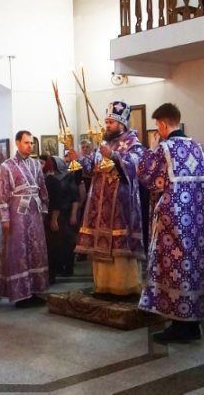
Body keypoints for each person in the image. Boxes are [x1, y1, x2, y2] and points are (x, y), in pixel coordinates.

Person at [138, 103, 204, 343]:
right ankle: (192, 325)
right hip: (198, 224)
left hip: (172, 223)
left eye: (157, 126)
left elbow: (146, 176)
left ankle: (179, 326)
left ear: (162, 124)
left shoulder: (164, 149)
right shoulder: (198, 147)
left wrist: (152, 148)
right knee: (193, 270)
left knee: (174, 270)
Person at [73, 101, 145, 297]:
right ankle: (103, 285)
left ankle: (124, 286)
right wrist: (78, 159)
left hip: (120, 204)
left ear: (121, 123)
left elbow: (138, 165)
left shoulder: (132, 142)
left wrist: (114, 156)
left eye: (111, 122)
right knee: (101, 244)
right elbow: (92, 166)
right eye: (106, 122)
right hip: (100, 204)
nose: (108, 126)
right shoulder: (103, 143)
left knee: (119, 245)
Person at [0, 131, 49, 307]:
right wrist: (4, 218)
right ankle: (21, 294)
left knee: (36, 250)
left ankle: (36, 290)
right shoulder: (7, 166)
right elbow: (1, 194)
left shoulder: (36, 164)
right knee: (19, 251)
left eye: (32, 143)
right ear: (17, 143)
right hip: (17, 214)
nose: (30, 146)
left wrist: (44, 209)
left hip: (35, 213)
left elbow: (42, 188)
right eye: (26, 143)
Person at [43, 156, 80, 282]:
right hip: (53, 213)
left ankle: (68, 267)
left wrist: (73, 214)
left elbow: (75, 197)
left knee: (67, 242)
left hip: (66, 213)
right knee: (55, 243)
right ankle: (57, 267)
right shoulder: (47, 178)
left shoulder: (68, 176)